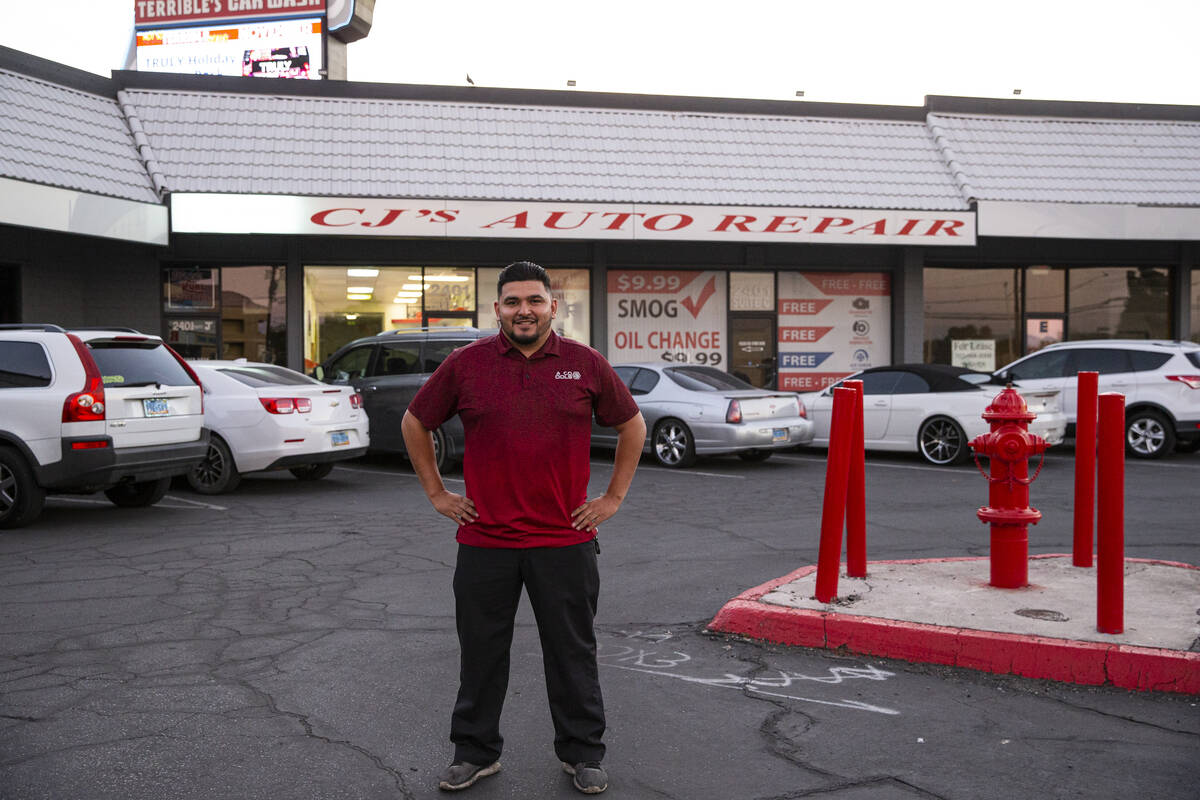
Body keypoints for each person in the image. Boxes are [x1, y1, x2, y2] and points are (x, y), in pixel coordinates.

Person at [401, 261, 646, 794]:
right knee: (481, 652)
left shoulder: (584, 364)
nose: (524, 311)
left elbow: (631, 424)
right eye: (513, 302)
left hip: (564, 539)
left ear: (552, 306)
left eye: (534, 301)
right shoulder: (467, 364)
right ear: (497, 310)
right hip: (486, 541)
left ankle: (582, 754)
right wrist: (438, 493)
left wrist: (612, 497)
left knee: (572, 653)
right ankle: (475, 752)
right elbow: (415, 421)